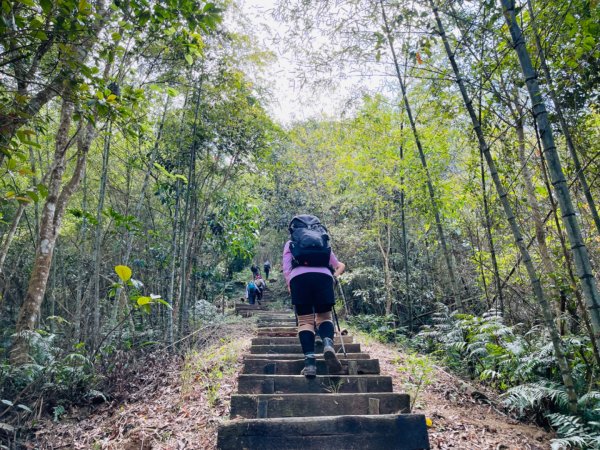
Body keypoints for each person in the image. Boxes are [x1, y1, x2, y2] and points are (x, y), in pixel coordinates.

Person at [282, 214, 346, 378]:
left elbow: (287, 269)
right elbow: (339, 265)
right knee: (324, 317)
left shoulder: (291, 243)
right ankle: (327, 344)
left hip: (299, 279)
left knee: (305, 321)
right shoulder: (322, 241)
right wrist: (333, 276)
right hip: (323, 277)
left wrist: (291, 285)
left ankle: (310, 364)